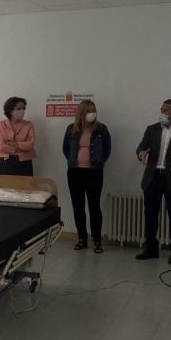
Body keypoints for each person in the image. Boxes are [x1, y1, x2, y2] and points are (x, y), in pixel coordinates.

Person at [135, 99, 171, 265]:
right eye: (161, 110)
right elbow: (141, 147)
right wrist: (141, 153)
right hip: (153, 176)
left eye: (165, 111)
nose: (161, 113)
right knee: (150, 214)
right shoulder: (152, 129)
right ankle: (151, 248)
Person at [62, 100, 111, 253]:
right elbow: (66, 149)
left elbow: (107, 150)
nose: (92, 114)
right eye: (88, 111)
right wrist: (74, 161)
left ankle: (97, 240)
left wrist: (98, 162)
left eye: (93, 110)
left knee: (94, 206)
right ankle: (82, 238)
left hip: (94, 172)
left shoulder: (102, 129)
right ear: (81, 113)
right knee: (78, 206)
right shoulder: (71, 129)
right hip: (75, 172)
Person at [0, 96, 36, 176]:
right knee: (5, 184)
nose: (22, 111)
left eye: (24, 108)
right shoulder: (1, 125)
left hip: (25, 162)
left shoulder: (29, 124)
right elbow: (1, 146)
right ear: (10, 111)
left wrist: (14, 144)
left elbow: (30, 145)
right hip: (6, 161)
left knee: (25, 184)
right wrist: (21, 148)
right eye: (19, 109)